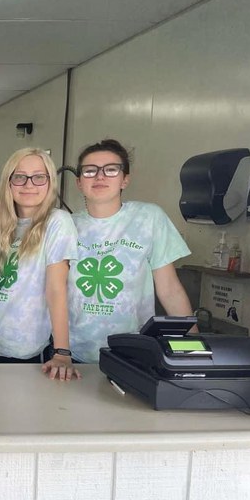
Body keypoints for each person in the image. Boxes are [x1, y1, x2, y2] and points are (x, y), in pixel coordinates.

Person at [68, 138, 194, 363]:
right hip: (73, 351)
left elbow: (169, 289)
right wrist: (60, 351)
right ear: (79, 182)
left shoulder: (148, 218)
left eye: (111, 170)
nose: (100, 176)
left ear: (125, 180)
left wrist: (194, 345)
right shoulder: (65, 225)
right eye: (89, 171)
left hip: (132, 350)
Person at [0, 148, 80, 380]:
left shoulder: (57, 222)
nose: (29, 184)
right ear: (9, 182)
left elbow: (57, 289)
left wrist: (62, 351)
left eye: (39, 177)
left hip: (25, 347)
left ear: (50, 183)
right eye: (19, 176)